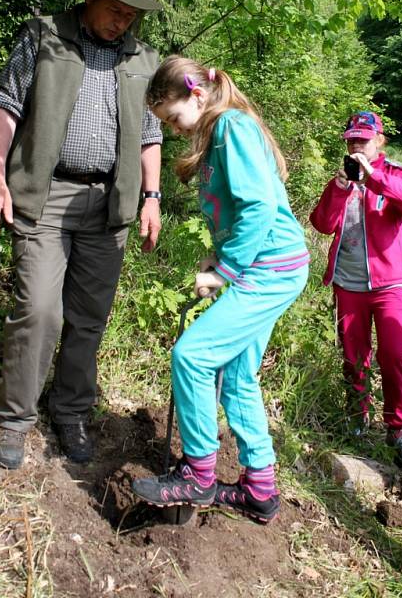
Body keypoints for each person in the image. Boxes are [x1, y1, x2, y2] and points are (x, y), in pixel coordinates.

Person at [0, 0, 163, 469]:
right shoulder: (43, 36)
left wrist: (151, 197)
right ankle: (15, 420)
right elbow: (6, 106)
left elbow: (151, 135)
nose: (122, 21)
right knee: (39, 309)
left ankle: (71, 413)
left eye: (131, 14)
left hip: (112, 203)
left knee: (89, 318)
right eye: (115, 9)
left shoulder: (143, 61)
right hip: (46, 194)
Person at [131, 56, 309, 523]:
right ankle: (260, 490)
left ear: (196, 94)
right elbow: (237, 212)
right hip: (268, 265)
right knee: (237, 378)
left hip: (267, 269)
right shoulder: (216, 135)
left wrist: (225, 271)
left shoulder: (231, 125)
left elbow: (259, 207)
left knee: (191, 357)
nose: (173, 129)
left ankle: (198, 475)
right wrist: (219, 253)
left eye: (173, 117)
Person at [310, 111, 402, 467]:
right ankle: (357, 416)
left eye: (363, 140)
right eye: (352, 140)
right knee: (354, 357)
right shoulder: (342, 179)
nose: (356, 146)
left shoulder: (396, 174)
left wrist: (376, 179)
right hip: (348, 282)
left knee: (395, 353)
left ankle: (400, 428)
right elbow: (322, 224)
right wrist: (340, 188)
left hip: (390, 282)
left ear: (379, 141)